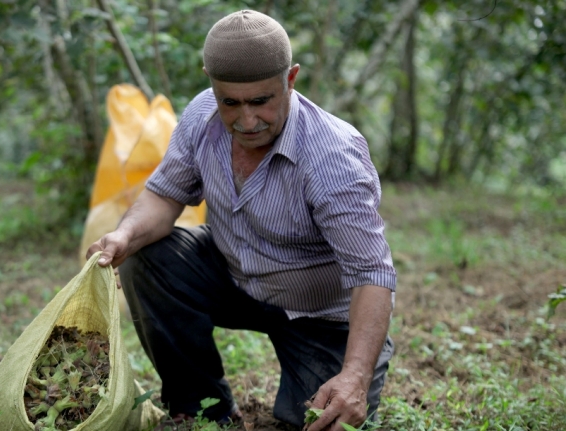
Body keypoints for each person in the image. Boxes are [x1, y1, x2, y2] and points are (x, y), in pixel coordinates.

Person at [86, 9, 396, 431]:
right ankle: (199, 408)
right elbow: (164, 196)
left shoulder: (332, 158)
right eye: (230, 102)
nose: (246, 121)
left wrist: (355, 377)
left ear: (291, 79)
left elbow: (372, 273)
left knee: (318, 421)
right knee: (148, 254)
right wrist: (124, 235)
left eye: (261, 102)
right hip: (234, 276)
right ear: (210, 82)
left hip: (319, 315)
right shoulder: (201, 116)